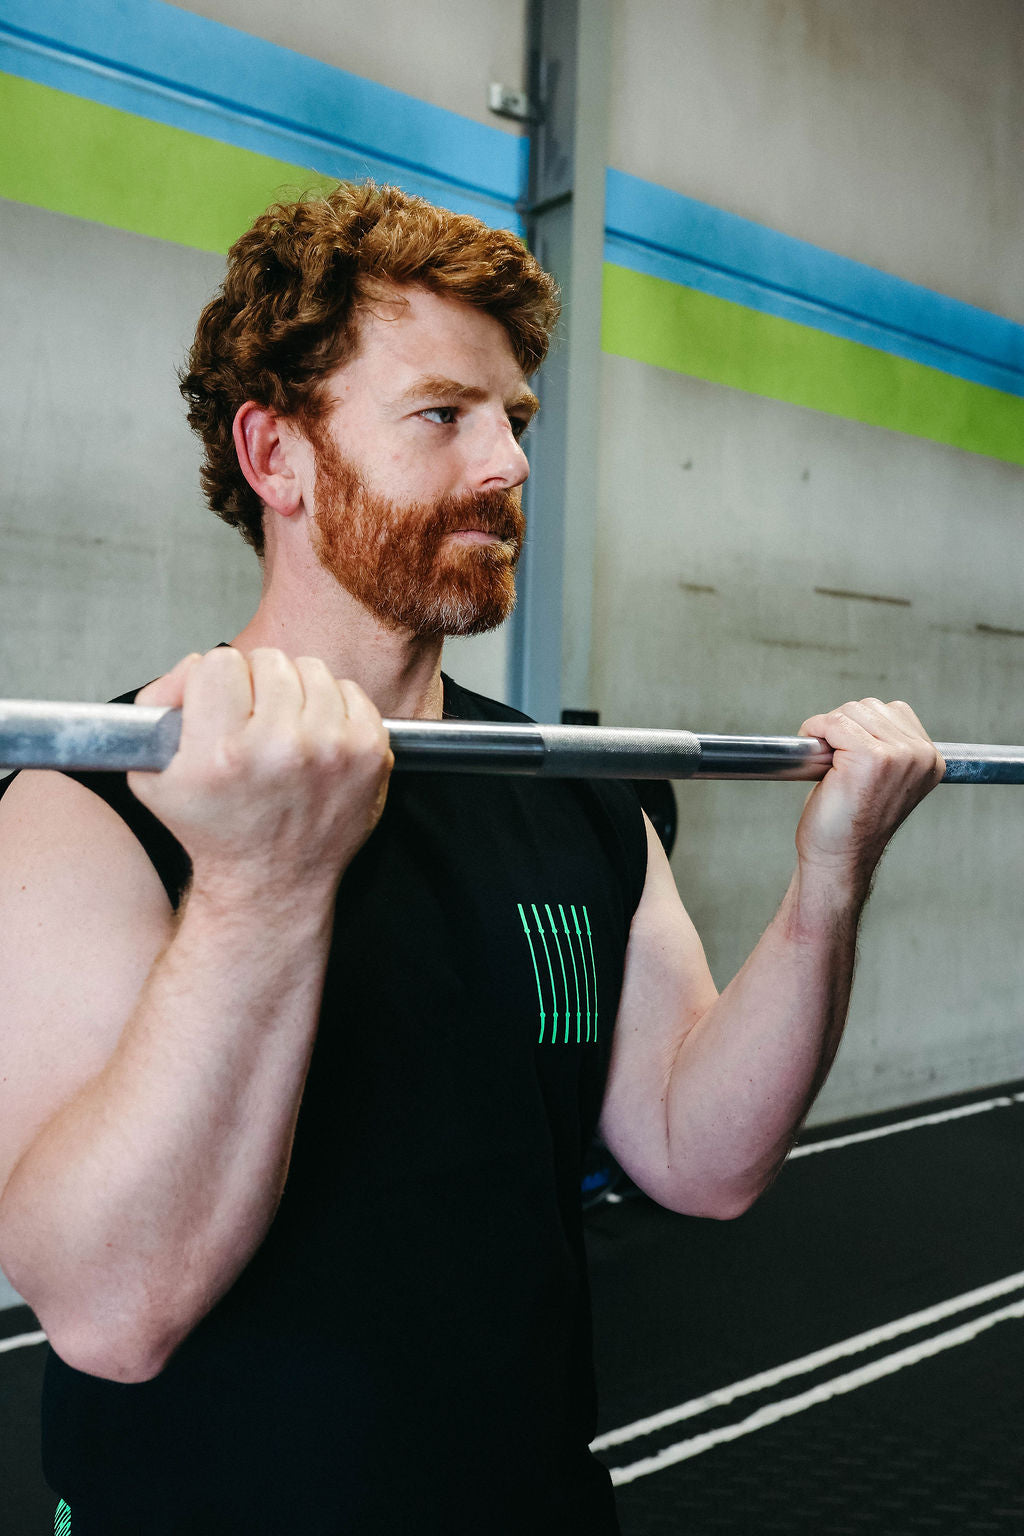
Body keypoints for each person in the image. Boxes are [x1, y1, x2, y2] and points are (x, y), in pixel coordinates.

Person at [0, 182, 944, 1536]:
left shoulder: (575, 798)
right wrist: (265, 884)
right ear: (279, 456)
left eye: (515, 420)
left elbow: (700, 1154)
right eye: (443, 415)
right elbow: (108, 1312)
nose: (505, 464)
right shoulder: (86, 807)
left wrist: (832, 880)